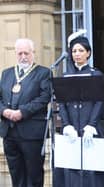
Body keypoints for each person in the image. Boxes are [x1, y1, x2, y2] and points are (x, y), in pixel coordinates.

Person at [58, 33, 104, 187]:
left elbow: (99, 102)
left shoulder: (96, 74)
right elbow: (62, 103)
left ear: (88, 53)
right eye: (74, 51)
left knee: (93, 170)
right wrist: (66, 125)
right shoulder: (66, 75)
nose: (77, 54)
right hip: (72, 129)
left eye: (81, 51)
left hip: (90, 128)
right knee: (72, 169)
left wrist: (92, 125)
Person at [0, 38, 51, 187]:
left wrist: (22, 112)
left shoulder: (43, 73)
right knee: (16, 173)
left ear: (33, 53)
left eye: (26, 53)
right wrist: (5, 111)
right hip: (9, 132)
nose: (23, 57)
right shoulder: (6, 73)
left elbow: (44, 98)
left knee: (33, 174)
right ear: (16, 54)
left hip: (32, 133)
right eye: (20, 53)